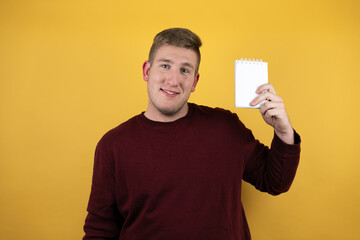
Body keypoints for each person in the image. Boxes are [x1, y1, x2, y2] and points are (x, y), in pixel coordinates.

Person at [83, 28, 301, 240]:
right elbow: (100, 229)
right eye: (165, 66)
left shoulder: (226, 127)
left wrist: (283, 131)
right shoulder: (113, 145)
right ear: (147, 71)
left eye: (185, 70)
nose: (173, 80)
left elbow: (275, 181)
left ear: (195, 81)